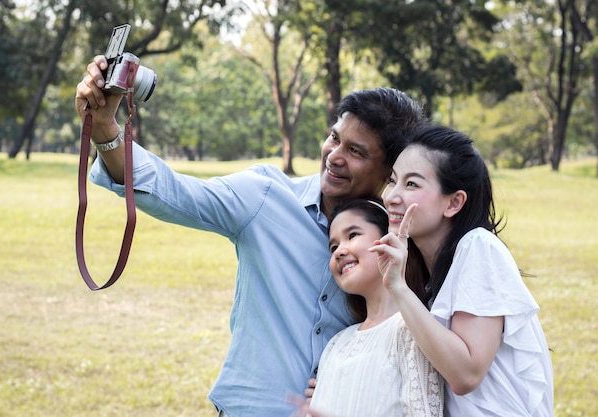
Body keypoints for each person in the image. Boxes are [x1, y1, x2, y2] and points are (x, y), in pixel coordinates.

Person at [74, 55, 427, 417]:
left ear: (389, 170)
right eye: (334, 139)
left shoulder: (401, 242)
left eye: (355, 152)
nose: (334, 157)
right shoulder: (264, 197)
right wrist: (105, 128)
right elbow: (171, 190)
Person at [374, 124, 554, 416]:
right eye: (392, 180)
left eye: (411, 184)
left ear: (454, 202)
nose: (391, 196)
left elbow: (466, 374)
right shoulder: (428, 272)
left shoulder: (478, 247)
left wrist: (398, 287)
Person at [295, 198, 443, 417]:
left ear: (389, 241)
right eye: (333, 246)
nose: (339, 252)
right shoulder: (337, 344)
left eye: (353, 235)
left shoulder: (412, 330)